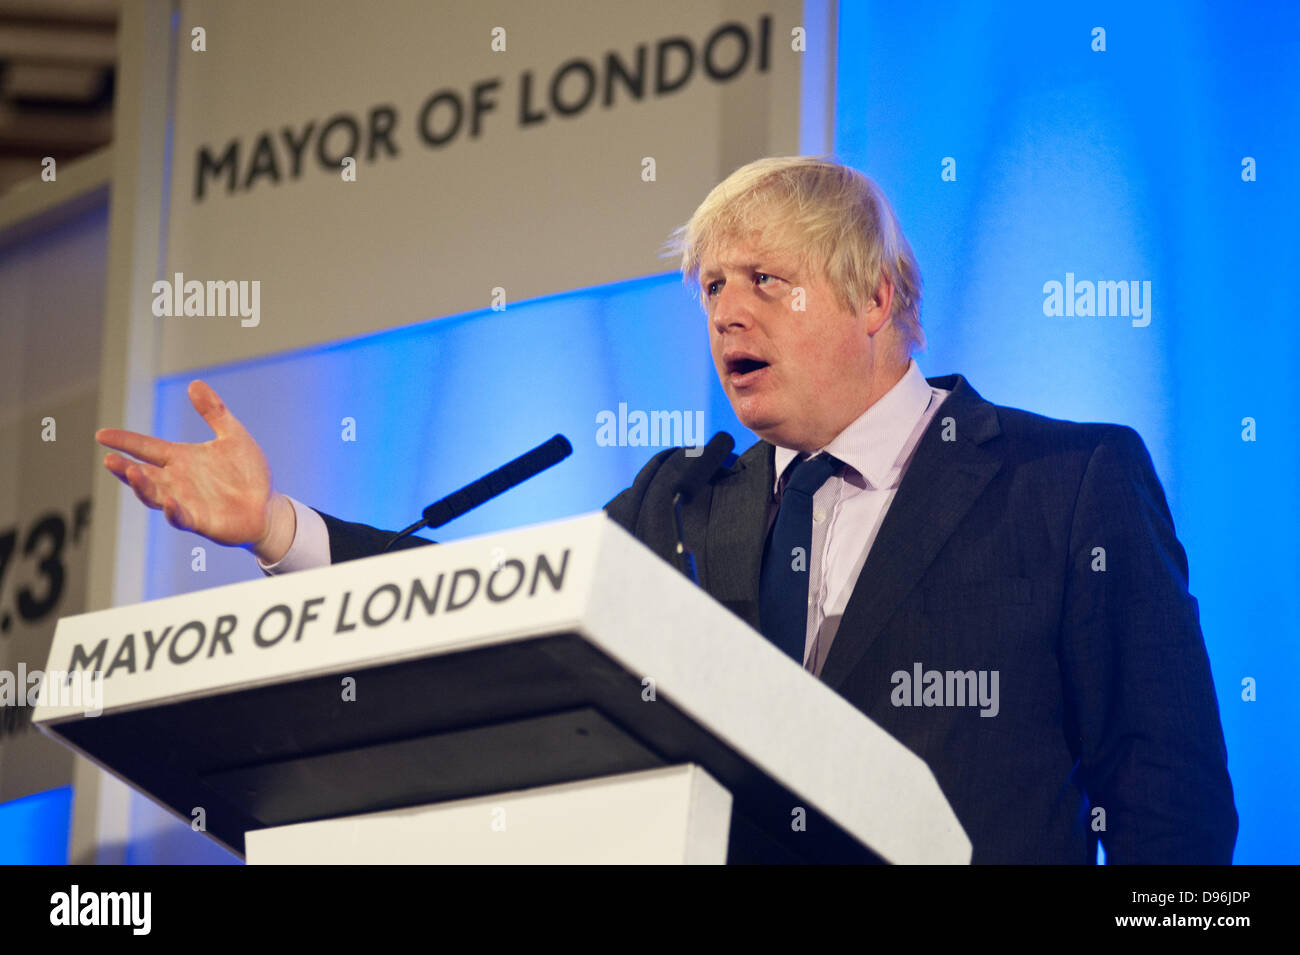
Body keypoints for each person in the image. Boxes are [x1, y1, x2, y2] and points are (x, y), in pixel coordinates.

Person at [97, 156, 1237, 864]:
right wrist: (279, 529)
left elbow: (1166, 792)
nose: (726, 311)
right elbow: (481, 606)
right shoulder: (686, 504)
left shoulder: (1064, 480)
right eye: (710, 287)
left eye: (765, 281)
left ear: (878, 296)